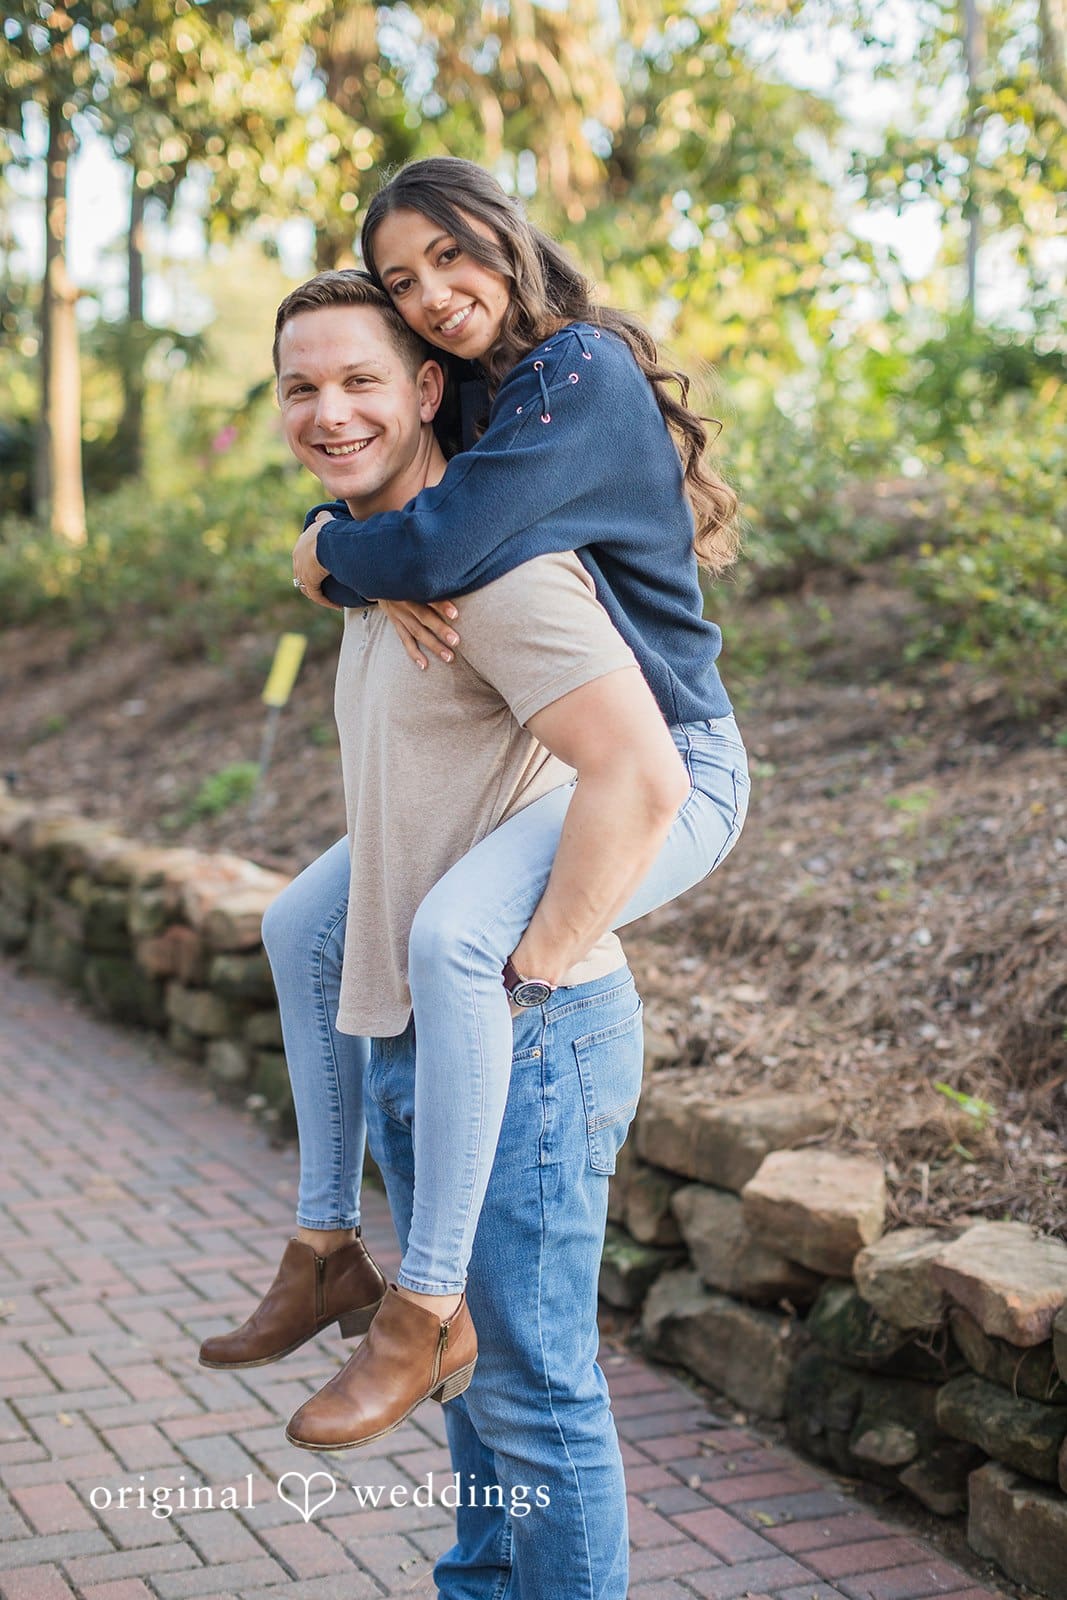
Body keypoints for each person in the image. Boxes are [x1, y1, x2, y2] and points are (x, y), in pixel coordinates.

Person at [280, 158, 748, 1421]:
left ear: (504, 234)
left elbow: (435, 542)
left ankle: (424, 1304)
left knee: (460, 936)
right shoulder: (489, 392)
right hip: (590, 751)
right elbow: (424, 516)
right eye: (400, 279)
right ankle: (323, 1245)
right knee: (299, 923)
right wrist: (337, 543)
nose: (430, 293)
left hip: (676, 760)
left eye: (448, 256)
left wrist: (332, 555)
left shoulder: (576, 371)